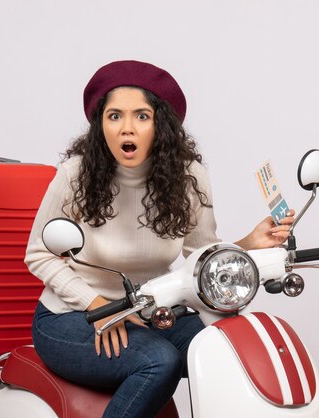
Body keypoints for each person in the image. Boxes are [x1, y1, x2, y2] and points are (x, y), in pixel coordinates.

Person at [24, 60, 294, 418]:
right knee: (159, 361)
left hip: (150, 310)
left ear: (160, 124)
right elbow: (38, 254)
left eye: (141, 116)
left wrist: (249, 242)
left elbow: (200, 255)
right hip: (72, 316)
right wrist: (96, 305)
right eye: (115, 116)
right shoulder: (75, 174)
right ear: (100, 123)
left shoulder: (189, 177)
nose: (126, 129)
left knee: (225, 345)